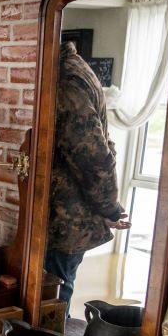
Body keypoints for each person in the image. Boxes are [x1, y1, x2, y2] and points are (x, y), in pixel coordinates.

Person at [45, 42, 130, 314]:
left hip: (65, 219)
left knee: (53, 302)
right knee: (52, 295)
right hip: (62, 217)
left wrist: (108, 208)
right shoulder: (69, 70)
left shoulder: (67, 79)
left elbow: (92, 156)